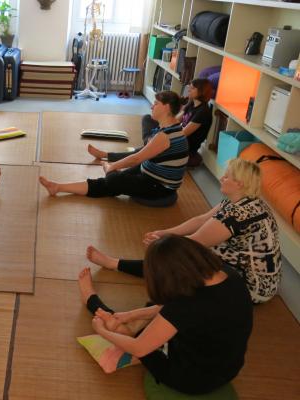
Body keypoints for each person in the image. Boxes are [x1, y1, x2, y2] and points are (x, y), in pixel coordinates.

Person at [87, 158, 281, 303]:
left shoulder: (237, 214)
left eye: (227, 176)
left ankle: (115, 264)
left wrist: (161, 243)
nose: (222, 178)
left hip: (251, 287)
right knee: (182, 252)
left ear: (239, 184)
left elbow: (192, 243)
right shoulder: (242, 201)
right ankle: (118, 264)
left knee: (177, 259)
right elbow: (201, 220)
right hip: (260, 278)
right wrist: (165, 232)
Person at [78, 235, 253, 395]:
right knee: (155, 308)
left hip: (194, 380)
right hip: (230, 367)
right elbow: (174, 310)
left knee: (141, 334)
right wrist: (130, 315)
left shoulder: (185, 306)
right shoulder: (229, 274)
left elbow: (140, 348)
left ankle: (99, 307)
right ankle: (127, 325)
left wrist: (101, 331)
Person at [39, 91, 188, 200]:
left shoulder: (165, 136)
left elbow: (135, 159)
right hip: (149, 172)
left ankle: (107, 167)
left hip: (160, 187)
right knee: (111, 183)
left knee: (113, 180)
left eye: (156, 104)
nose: (151, 106)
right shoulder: (172, 128)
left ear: (166, 107)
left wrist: (113, 166)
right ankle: (58, 187)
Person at [89, 78, 213, 167]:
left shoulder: (203, 112)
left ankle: (106, 155)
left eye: (193, 88)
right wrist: (161, 131)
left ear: (201, 92)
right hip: (171, 136)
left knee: (141, 152)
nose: (189, 90)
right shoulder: (191, 104)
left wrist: (160, 136)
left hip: (182, 145)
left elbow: (182, 133)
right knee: (148, 118)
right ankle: (149, 141)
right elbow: (176, 120)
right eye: (190, 87)